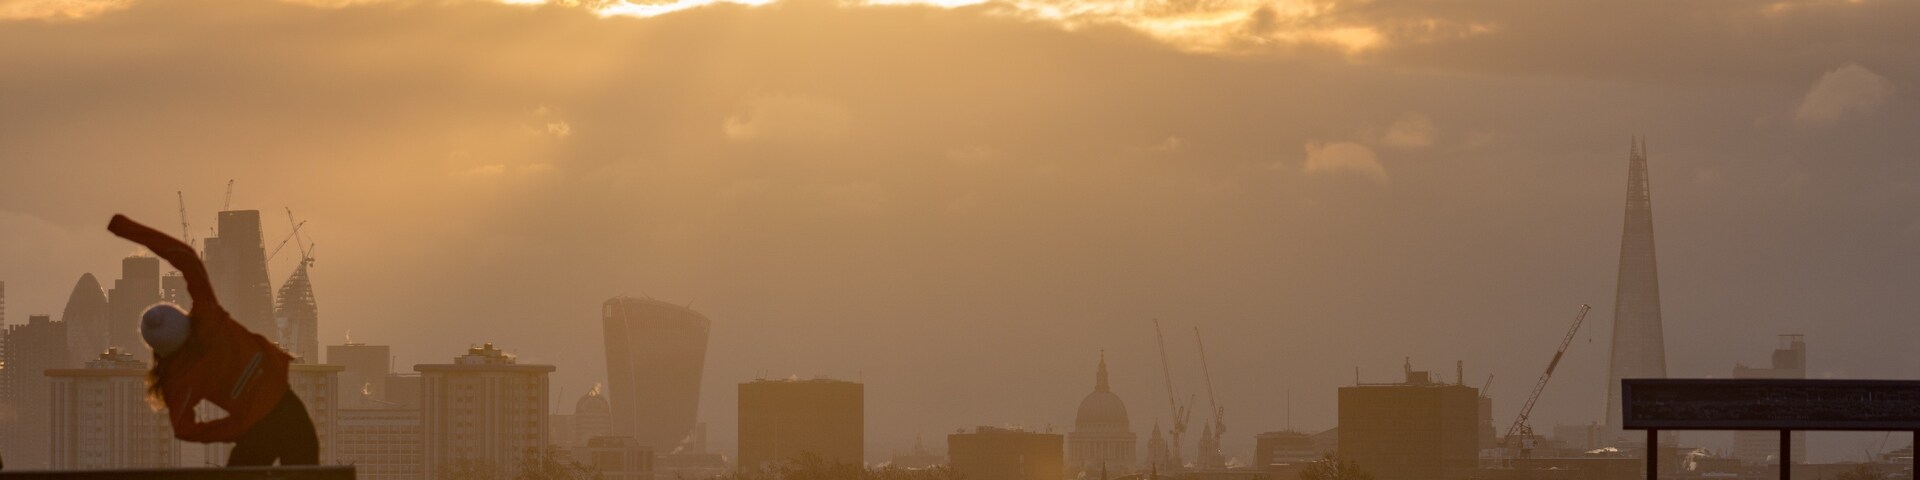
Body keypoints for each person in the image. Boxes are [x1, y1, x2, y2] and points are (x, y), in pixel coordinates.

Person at [109, 214, 318, 466]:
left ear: (159, 350)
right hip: (286, 407)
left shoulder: (178, 376)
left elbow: (184, 429)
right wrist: (126, 228)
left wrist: (236, 427)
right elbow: (185, 256)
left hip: (255, 428)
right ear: (183, 318)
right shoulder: (208, 318)